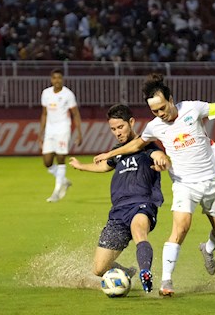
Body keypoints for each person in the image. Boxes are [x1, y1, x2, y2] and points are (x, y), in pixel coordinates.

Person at [94, 73, 215, 296]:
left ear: (170, 99)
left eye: (162, 108)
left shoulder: (192, 108)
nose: (160, 114)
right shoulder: (155, 126)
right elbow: (137, 144)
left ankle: (207, 249)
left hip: (211, 181)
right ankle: (166, 282)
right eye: (154, 111)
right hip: (184, 184)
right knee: (180, 228)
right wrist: (111, 153)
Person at [69, 104, 169, 293]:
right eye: (113, 129)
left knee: (139, 231)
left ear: (131, 122)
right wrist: (81, 166)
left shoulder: (145, 144)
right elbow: (104, 166)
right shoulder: (118, 150)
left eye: (120, 127)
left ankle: (145, 273)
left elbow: (158, 154)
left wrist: (162, 159)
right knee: (99, 268)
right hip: (118, 211)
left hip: (141, 203)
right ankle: (127, 273)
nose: (117, 132)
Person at [38, 68, 82, 203]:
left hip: (63, 128)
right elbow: (44, 113)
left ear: (62, 79)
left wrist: (79, 133)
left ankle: (56, 192)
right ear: (51, 79)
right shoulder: (46, 93)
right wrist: (41, 132)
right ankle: (64, 180)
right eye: (54, 78)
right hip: (50, 130)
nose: (57, 80)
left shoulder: (68, 94)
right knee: (47, 162)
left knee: (61, 158)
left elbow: (75, 114)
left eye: (59, 78)